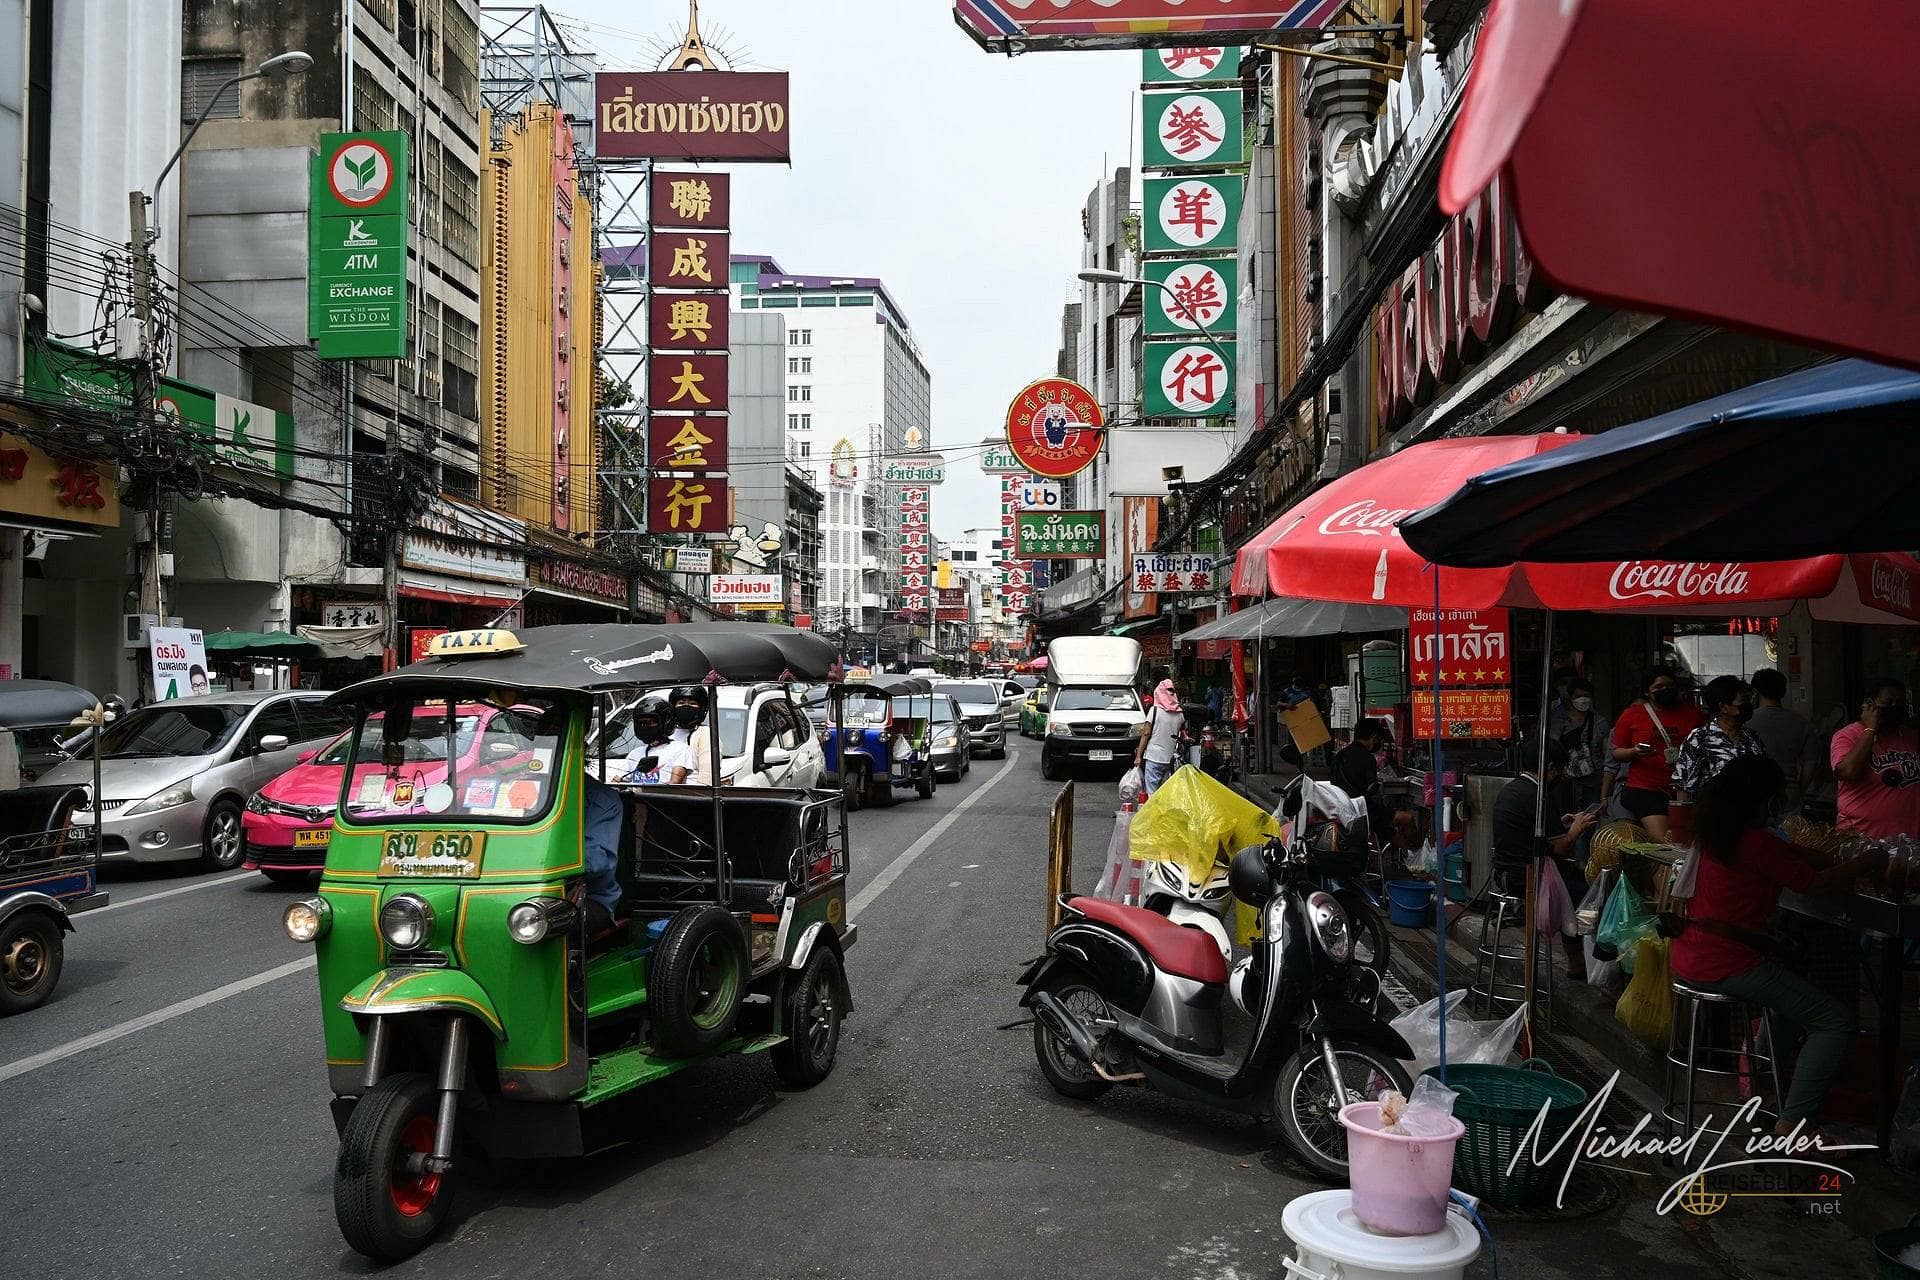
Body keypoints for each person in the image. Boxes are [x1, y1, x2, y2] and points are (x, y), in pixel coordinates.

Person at [1672, 755, 1882, 1136]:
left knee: (1791, 1004)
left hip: (1692, 955)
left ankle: (1763, 1086)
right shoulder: (1756, 843)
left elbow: (1796, 856)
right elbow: (1815, 884)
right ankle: (1792, 1123)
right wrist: (1866, 862)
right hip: (1727, 963)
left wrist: (1833, 856)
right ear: (1766, 800)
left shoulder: (1718, 834)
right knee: (1835, 1022)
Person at [1490, 742, 1595, 979]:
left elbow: (1534, 833)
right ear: (1550, 768)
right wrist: (1576, 830)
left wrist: (1561, 823)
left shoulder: (1512, 789)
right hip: (1527, 878)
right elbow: (1561, 847)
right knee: (1587, 892)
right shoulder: (1538, 797)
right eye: (1559, 769)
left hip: (1504, 874)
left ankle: (1576, 960)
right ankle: (1577, 961)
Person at [1610, 669, 1705, 840]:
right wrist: (1634, 752)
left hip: (1683, 788)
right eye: (1659, 686)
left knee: (1685, 839)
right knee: (1664, 841)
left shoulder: (1692, 714)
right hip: (1645, 788)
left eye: (1670, 685)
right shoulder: (1632, 714)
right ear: (1647, 691)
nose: (1666, 689)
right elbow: (1616, 752)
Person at [1830, 678, 1920, 839]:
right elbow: (1848, 772)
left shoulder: (1910, 737)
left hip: (1906, 839)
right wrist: (1871, 729)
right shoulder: (1848, 735)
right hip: (1862, 838)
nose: (1894, 707)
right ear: (1869, 705)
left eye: (1900, 703)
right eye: (1888, 702)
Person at [1672, 675, 1766, 803]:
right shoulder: (1699, 738)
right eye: (1743, 701)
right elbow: (1684, 787)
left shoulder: (1752, 738)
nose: (1748, 705)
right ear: (1723, 707)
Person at [1748, 668, 1816, 817]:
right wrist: (1799, 791)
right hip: (1789, 797)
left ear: (1756, 692)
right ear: (1783, 692)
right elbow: (1810, 763)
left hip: (1755, 798)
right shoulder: (1802, 723)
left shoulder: (1746, 723)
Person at [1548, 676, 1612, 810]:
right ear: (1571, 698)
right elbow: (1552, 748)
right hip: (1565, 781)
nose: (1582, 699)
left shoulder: (1600, 722)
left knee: (1590, 815)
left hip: (1593, 781)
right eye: (1578, 696)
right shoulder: (1558, 721)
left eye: (1586, 696)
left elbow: (1607, 753)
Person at [1134, 678, 1186, 796]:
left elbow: (1146, 733)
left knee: (1152, 792)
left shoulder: (1154, 711)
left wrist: (1138, 756)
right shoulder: (1180, 714)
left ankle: (1153, 808)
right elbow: (1181, 733)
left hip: (1154, 757)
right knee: (1165, 792)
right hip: (1170, 759)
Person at [619, 695, 677, 784]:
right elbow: (619, 781)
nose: (646, 726)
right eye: (642, 723)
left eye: (651, 722)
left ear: (665, 722)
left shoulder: (678, 749)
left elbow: (675, 783)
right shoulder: (634, 754)